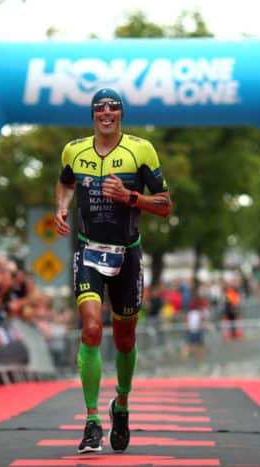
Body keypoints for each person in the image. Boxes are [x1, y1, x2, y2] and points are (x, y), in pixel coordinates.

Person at [55, 88, 172, 454]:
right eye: (100, 109)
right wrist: (62, 207)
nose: (106, 114)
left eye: (113, 108)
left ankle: (120, 404)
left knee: (125, 338)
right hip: (89, 250)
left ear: (121, 114)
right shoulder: (74, 150)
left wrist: (131, 197)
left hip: (128, 254)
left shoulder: (141, 150)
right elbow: (65, 181)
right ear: (92, 115)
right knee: (91, 329)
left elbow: (166, 205)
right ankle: (92, 421)